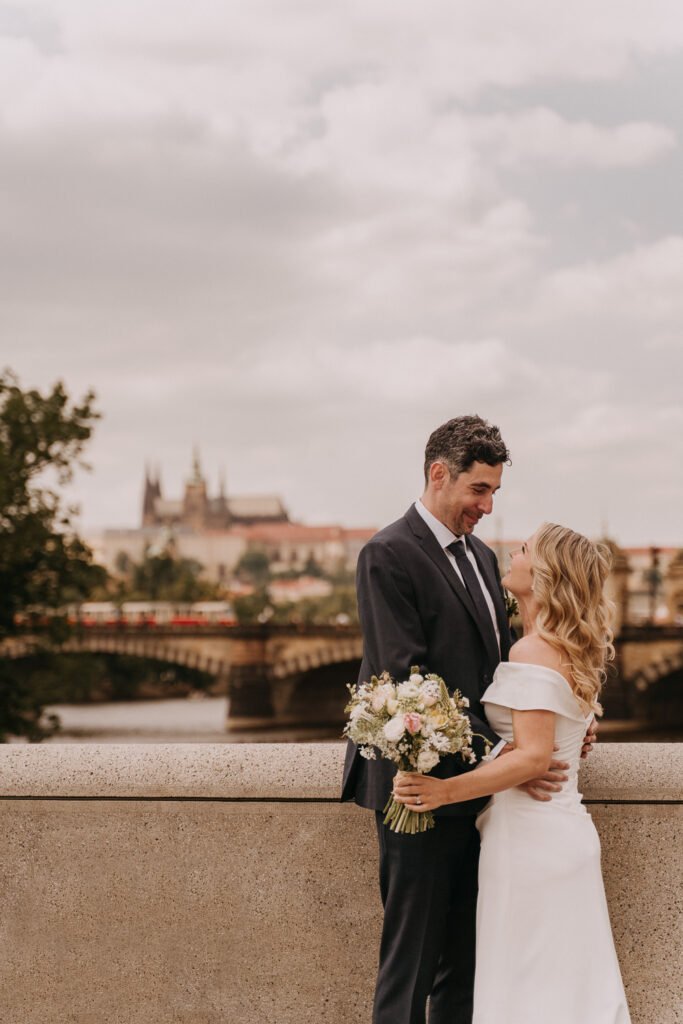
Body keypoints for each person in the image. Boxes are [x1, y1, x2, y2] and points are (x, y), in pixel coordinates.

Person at [341, 415, 595, 1024]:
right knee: (411, 968)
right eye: (478, 490)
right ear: (439, 474)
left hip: (478, 799)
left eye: (494, 493)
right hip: (418, 792)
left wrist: (566, 714)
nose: (486, 506)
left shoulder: (482, 558)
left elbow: (506, 669)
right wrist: (507, 756)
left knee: (464, 973)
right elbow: (405, 683)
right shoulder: (387, 554)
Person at [394, 523, 631, 1024]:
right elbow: (544, 740)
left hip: (531, 837)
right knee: (561, 990)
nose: (512, 553)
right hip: (553, 832)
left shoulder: (532, 650)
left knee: (526, 987)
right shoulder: (561, 647)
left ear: (544, 573)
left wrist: (442, 791)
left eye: (524, 549)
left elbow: (532, 759)